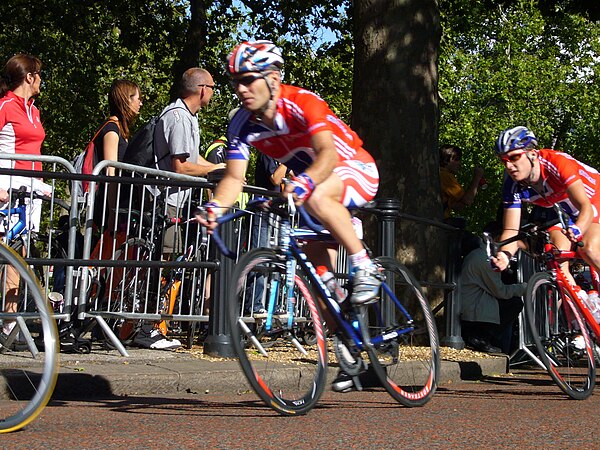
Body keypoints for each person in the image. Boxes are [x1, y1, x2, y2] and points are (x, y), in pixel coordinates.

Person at [196, 40, 381, 391]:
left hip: (352, 166)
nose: (240, 88)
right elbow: (234, 178)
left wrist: (305, 183)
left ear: (274, 79)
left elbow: (326, 154)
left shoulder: (302, 102)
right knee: (321, 280)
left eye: (249, 79)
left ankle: (365, 266)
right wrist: (215, 208)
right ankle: (351, 342)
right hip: (313, 186)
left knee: (318, 197)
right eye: (235, 80)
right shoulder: (241, 124)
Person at [491, 126, 600, 282]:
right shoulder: (512, 184)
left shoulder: (556, 163)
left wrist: (578, 230)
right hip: (562, 211)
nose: (508, 166)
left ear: (532, 154)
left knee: (588, 249)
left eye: (514, 157)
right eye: (504, 161)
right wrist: (504, 255)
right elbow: (511, 230)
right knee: (556, 261)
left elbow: (585, 208)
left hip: (593, 200)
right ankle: (576, 303)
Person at [0, 54, 50, 347]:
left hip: (31, 190)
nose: (41, 79)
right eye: (39, 74)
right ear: (29, 76)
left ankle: (10, 320)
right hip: (8, 185)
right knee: (8, 253)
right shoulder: (5, 105)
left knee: (18, 256)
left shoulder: (35, 111)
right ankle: (8, 320)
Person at [153, 67, 225, 256]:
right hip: (166, 200)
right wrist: (213, 170)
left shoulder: (190, 116)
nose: (212, 92)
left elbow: (192, 156)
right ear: (202, 89)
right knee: (166, 257)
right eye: (212, 87)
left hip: (175, 201)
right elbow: (180, 166)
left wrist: (220, 168)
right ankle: (152, 287)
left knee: (171, 255)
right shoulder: (180, 118)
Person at [460, 222, 526, 354]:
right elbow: (500, 291)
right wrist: (525, 287)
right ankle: (481, 337)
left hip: (472, 307)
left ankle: (484, 338)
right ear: (497, 239)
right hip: (473, 314)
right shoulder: (485, 259)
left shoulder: (480, 254)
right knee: (515, 304)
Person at [439, 144, 485, 221]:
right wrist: (477, 178)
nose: (459, 163)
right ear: (445, 160)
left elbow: (457, 206)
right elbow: (467, 200)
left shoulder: (441, 174)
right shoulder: (445, 175)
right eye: (456, 159)